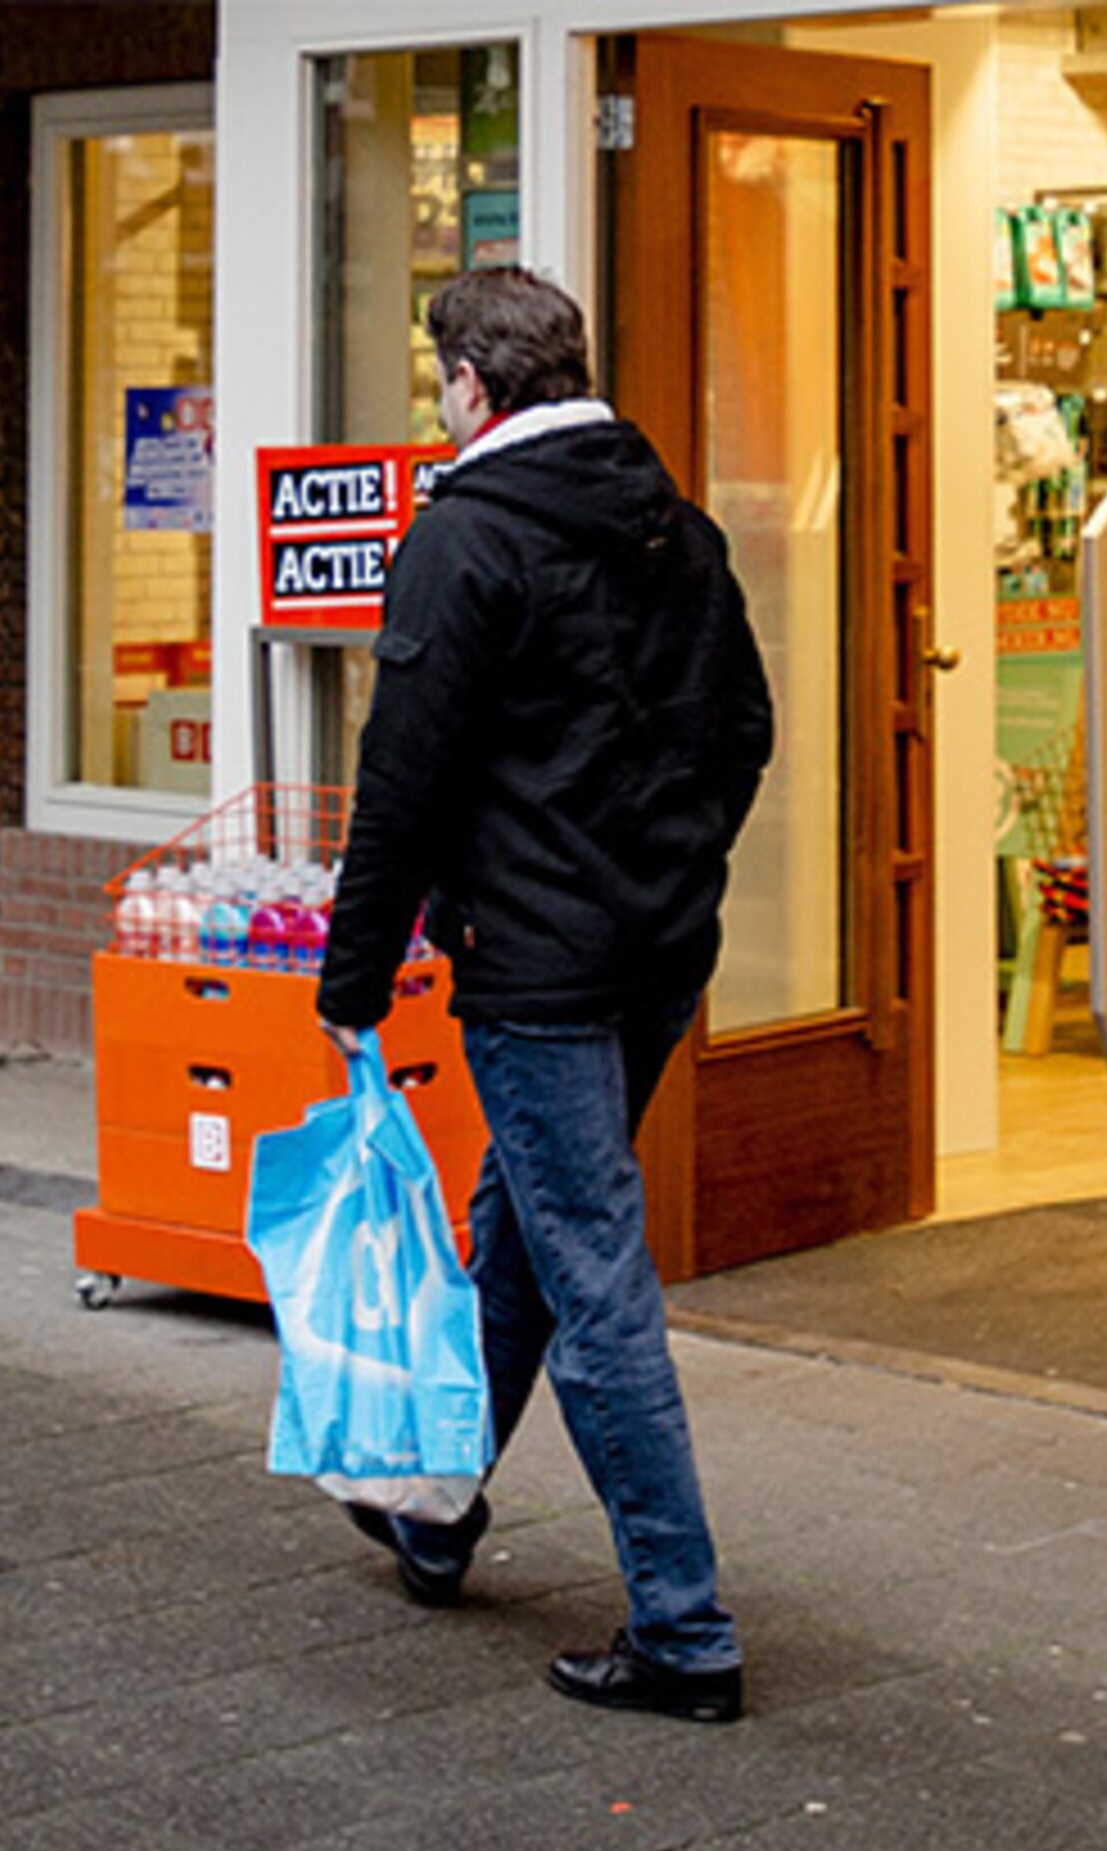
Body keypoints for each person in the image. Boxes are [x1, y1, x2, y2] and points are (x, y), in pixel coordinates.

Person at [316, 266, 772, 1725]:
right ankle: (436, 1512)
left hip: (537, 970)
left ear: (471, 386)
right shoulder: (677, 530)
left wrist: (355, 972)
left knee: (591, 1284)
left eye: (440, 376)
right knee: (516, 1226)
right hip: (653, 957)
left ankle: (684, 1630)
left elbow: (406, 778)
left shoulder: (467, 542)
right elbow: (744, 733)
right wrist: (673, 873)